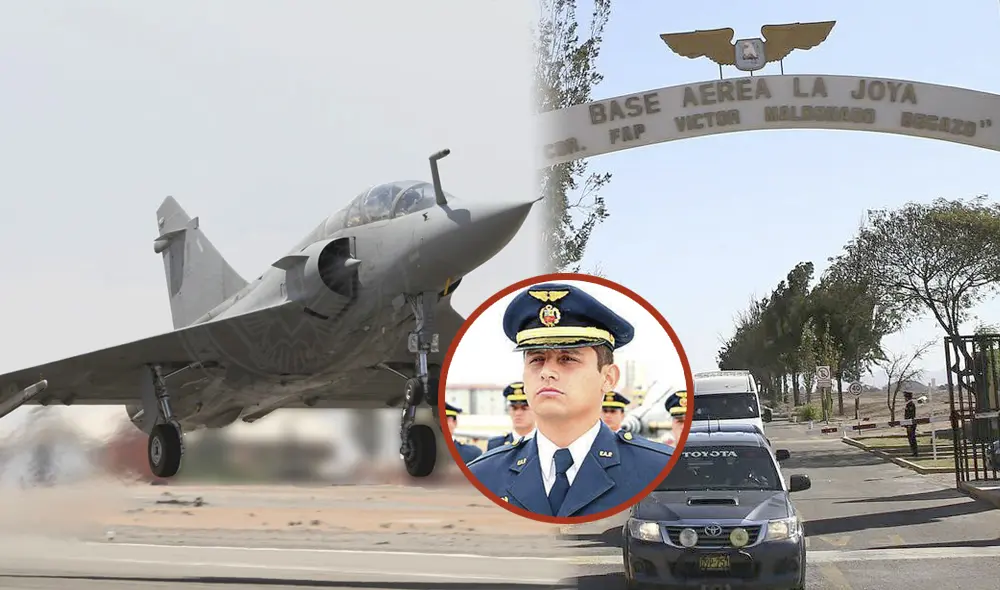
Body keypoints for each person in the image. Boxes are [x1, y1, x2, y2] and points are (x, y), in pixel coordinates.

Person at [467, 281, 673, 518]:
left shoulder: (658, 470)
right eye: (536, 359)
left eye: (567, 359)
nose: (547, 372)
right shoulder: (482, 476)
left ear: (608, 378)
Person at [487, 382, 536, 450]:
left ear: (536, 411)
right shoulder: (496, 445)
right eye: (514, 408)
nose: (518, 413)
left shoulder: (545, 443)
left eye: (524, 408)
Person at [903, 391, 918, 457]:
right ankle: (913, 452)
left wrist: (909, 425)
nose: (904, 398)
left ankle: (915, 452)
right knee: (910, 438)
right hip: (909, 424)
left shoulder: (911, 404)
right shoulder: (908, 404)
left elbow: (911, 415)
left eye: (905, 397)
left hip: (911, 424)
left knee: (912, 438)